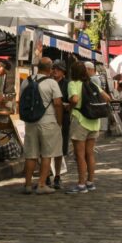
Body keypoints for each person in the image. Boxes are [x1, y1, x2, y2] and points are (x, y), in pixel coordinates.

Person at [20, 58, 64, 195]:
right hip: (48, 121)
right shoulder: (52, 83)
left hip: (31, 122)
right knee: (47, 154)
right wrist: (59, 121)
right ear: (50, 69)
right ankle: (41, 184)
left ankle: (27, 184)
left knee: (31, 154)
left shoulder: (26, 81)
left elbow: (20, 100)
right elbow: (57, 103)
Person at [66, 61, 108, 194]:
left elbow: (74, 99)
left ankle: (81, 184)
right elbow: (107, 97)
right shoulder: (92, 84)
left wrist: (69, 107)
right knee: (90, 153)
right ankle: (90, 182)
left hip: (80, 121)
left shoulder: (73, 83)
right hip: (94, 122)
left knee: (80, 155)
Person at [50, 60, 71, 190]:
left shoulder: (67, 84)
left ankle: (57, 176)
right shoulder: (48, 82)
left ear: (63, 72)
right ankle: (46, 174)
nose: (55, 71)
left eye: (58, 69)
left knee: (59, 149)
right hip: (48, 118)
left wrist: (64, 105)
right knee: (46, 148)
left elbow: (70, 103)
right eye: (54, 69)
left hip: (63, 118)